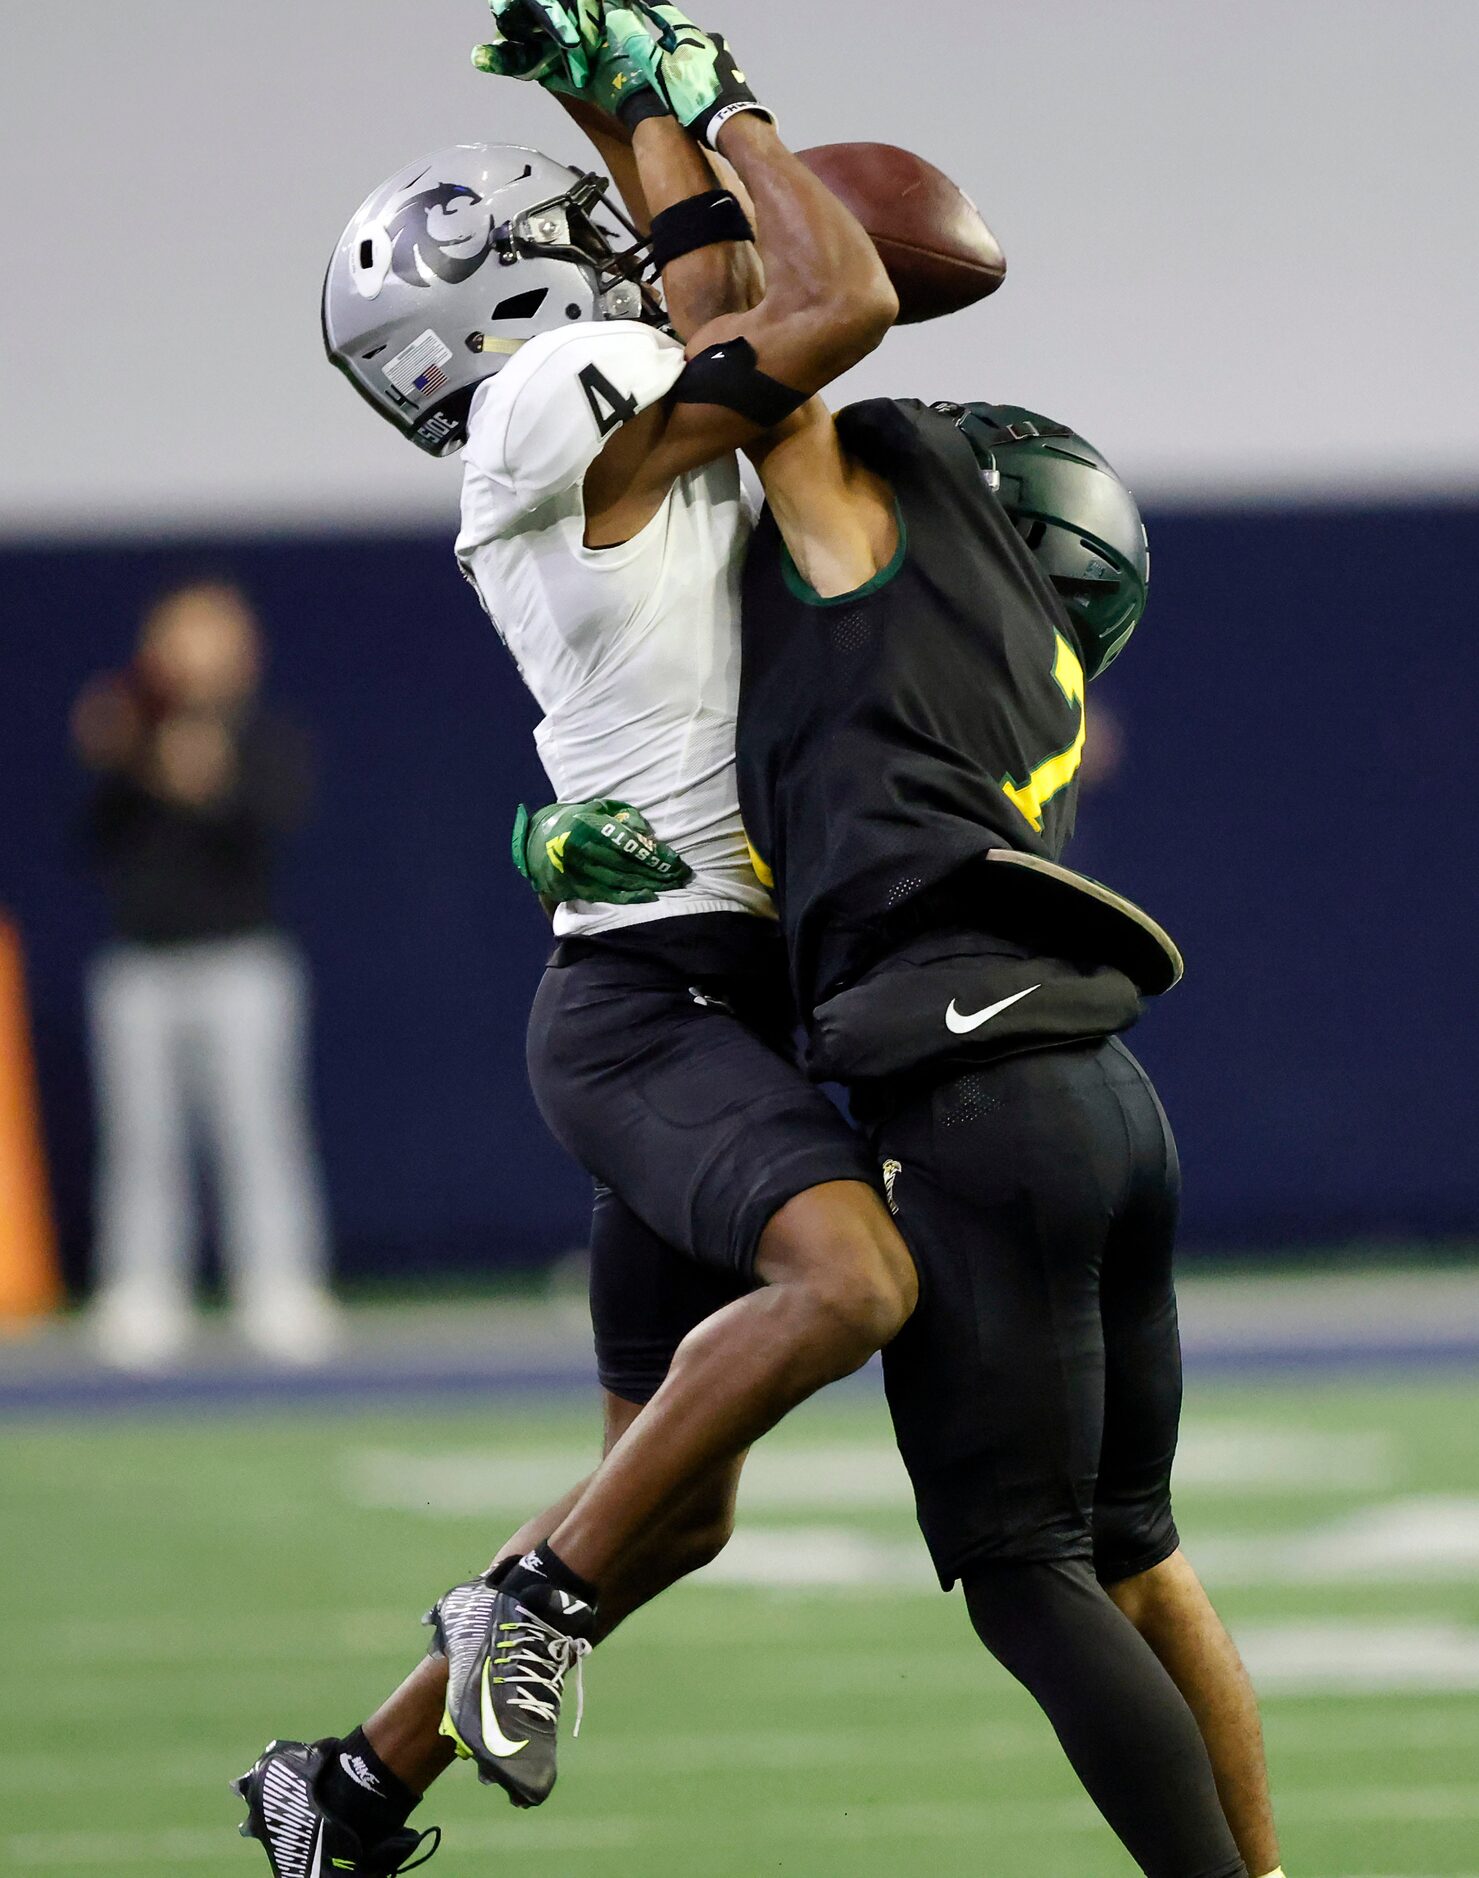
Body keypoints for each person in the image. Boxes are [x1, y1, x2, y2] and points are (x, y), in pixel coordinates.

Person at [502, 14, 1291, 1878]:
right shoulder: (1020, 645)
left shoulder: (866, 517)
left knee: (1022, 1575)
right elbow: (732, 322)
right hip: (1107, 1100)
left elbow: (778, 310)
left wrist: (685, 101)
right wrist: (615, 114)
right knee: (1133, 1549)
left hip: (974, 1097)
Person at [233, 10, 917, 1873]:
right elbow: (829, 299)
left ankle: (347, 1782)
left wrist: (605, 98)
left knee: (670, 1503)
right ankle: (513, 1599)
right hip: (657, 1001)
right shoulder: (552, 400)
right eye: (557, 239)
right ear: (500, 303)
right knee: (853, 1287)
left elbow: (709, 289)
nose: (603, 251)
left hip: (695, 982)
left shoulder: (576, 403)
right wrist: (705, 100)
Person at [74, 579, 338, 1371]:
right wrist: (122, 758)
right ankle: (141, 1290)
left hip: (242, 960)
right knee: (141, 1137)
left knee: (261, 1131)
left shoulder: (264, 735)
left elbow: (270, 824)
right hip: (140, 963)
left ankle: (280, 1287)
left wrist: (211, 781)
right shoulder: (126, 731)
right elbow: (91, 839)